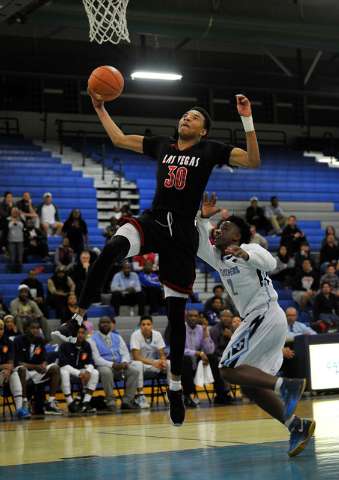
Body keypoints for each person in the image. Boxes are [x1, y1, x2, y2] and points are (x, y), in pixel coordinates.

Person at [52, 92, 260, 428]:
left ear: (203, 131)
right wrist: (100, 108)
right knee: (109, 250)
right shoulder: (163, 144)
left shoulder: (210, 150)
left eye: (194, 117)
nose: (186, 118)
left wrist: (246, 119)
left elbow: (252, 161)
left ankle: (175, 387)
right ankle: (76, 320)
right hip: (153, 220)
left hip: (182, 233)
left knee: (176, 317)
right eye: (185, 114)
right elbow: (119, 139)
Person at [195, 192, 315, 457]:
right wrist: (203, 218)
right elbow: (199, 242)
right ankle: (297, 425)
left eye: (225, 227)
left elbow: (271, 262)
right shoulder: (219, 257)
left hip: (266, 313)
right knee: (248, 383)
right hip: (259, 319)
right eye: (218, 226)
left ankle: (287, 385)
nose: (218, 229)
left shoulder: (249, 248)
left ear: (238, 236)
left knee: (227, 368)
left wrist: (246, 256)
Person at [181, 308, 234, 407]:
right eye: (190, 316)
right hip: (181, 362)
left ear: (199, 318)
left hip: (196, 361)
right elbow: (178, 350)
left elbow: (209, 350)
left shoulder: (201, 329)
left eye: (195, 316)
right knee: (186, 359)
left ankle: (220, 394)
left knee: (213, 358)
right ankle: (187, 396)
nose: (193, 318)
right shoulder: (180, 328)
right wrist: (198, 353)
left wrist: (205, 332)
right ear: (186, 318)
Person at [87, 316, 139, 411]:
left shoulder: (117, 337)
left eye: (108, 322)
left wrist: (124, 361)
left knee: (134, 371)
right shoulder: (92, 340)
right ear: (98, 325)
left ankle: (127, 401)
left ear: (111, 325)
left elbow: (125, 353)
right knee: (107, 372)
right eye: (103, 322)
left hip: (118, 366)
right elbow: (96, 358)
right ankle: (110, 402)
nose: (106, 324)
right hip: (102, 367)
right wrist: (111, 365)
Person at [13, 319, 64, 415]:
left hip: (36, 372)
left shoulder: (40, 340)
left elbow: (44, 358)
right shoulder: (18, 340)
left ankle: (51, 403)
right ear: (26, 330)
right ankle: (25, 403)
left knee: (55, 368)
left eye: (37, 328)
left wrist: (44, 366)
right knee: (22, 369)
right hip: (23, 372)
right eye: (32, 328)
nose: (36, 330)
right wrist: (34, 366)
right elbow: (16, 363)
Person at [130, 315, 170, 408]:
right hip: (136, 364)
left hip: (152, 363)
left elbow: (162, 355)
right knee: (139, 364)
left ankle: (172, 394)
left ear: (152, 326)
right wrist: (154, 363)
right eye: (143, 324)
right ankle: (141, 396)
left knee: (169, 364)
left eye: (148, 324)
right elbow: (136, 357)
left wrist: (162, 361)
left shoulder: (157, 335)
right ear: (140, 326)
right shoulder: (135, 335)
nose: (146, 327)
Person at [58, 325, 99, 413]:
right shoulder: (65, 344)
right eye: (78, 333)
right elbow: (63, 364)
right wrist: (78, 373)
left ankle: (85, 402)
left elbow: (90, 362)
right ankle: (70, 403)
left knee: (95, 372)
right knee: (64, 373)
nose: (80, 335)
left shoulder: (86, 344)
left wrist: (88, 371)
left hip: (80, 369)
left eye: (82, 333)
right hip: (66, 369)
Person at [0, 319, 31, 418]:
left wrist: (8, 370)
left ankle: (19, 409)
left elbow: (10, 362)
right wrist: (1, 366)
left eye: (1, 329)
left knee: (14, 373)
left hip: (3, 374)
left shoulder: (8, 342)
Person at [1, 206, 26, 273]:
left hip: (20, 242)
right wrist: (3, 245)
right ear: (11, 212)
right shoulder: (8, 220)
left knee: (20, 260)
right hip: (11, 242)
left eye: (16, 210)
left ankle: (20, 273)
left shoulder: (21, 220)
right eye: (13, 210)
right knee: (12, 259)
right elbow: (4, 233)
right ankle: (11, 273)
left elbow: (25, 231)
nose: (15, 211)